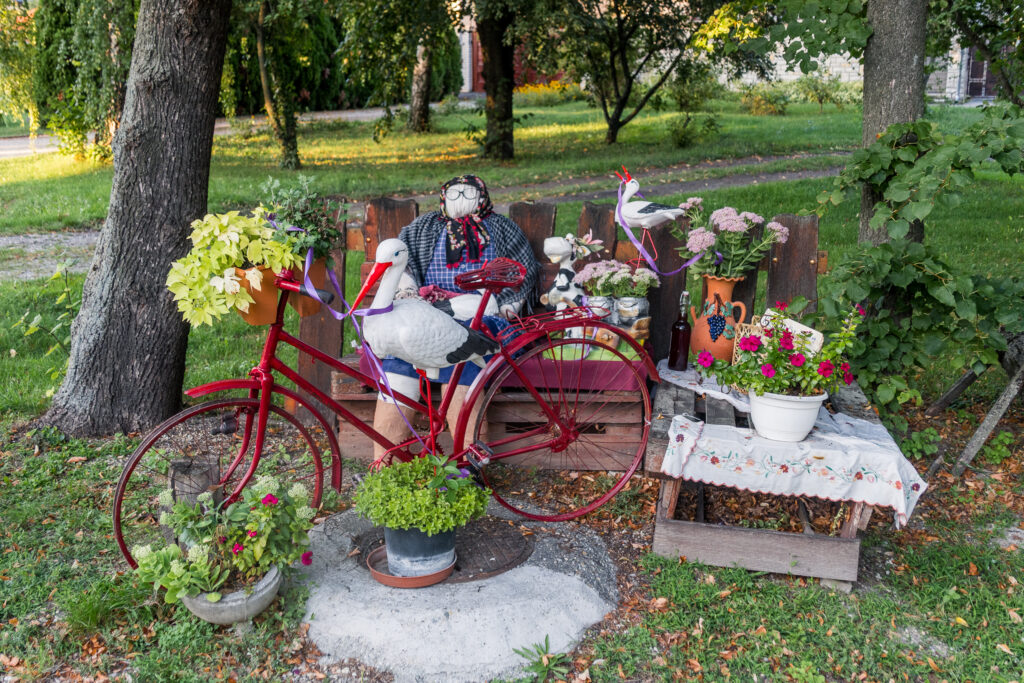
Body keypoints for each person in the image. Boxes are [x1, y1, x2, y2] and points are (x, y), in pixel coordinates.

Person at [370, 174, 539, 460]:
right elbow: (398, 261)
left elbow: (523, 269)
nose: (460, 200)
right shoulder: (425, 227)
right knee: (399, 365)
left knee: (463, 365)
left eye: (467, 194)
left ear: (482, 197)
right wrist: (409, 291)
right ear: (443, 198)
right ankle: (384, 463)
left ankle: (468, 465)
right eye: (455, 195)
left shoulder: (500, 228)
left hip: (480, 316)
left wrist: (508, 306)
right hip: (427, 316)